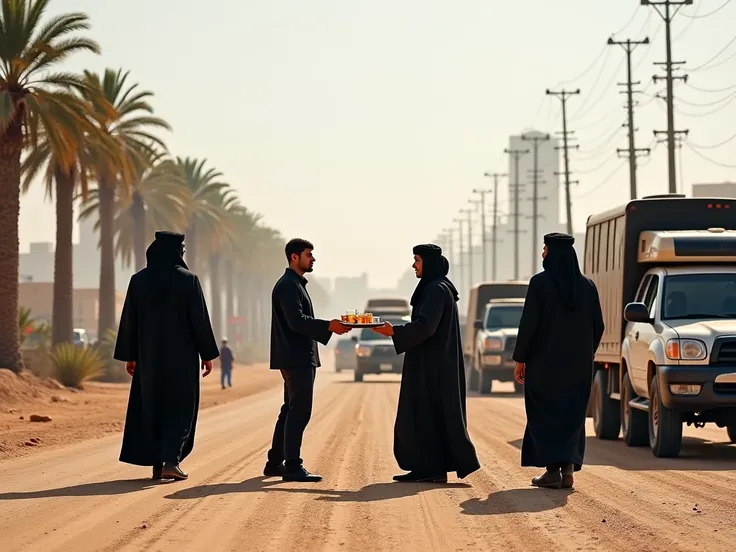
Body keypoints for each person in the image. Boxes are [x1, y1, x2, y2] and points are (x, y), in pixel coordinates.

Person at [114, 231, 219, 481]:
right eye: (181, 248)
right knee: (181, 407)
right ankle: (171, 460)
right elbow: (199, 320)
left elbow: (130, 320)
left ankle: (157, 464)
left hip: (149, 358)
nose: (183, 252)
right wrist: (207, 353)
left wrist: (131, 355)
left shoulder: (138, 281)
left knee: (153, 406)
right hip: (182, 358)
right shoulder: (189, 280)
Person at [372, 244, 480, 483]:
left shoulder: (436, 290)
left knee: (425, 416)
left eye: (417, 260)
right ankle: (429, 468)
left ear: (427, 263)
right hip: (430, 363)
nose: (414, 265)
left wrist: (394, 331)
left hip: (433, 367)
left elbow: (426, 326)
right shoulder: (436, 288)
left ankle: (432, 468)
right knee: (425, 417)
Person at [512, 232, 604, 489]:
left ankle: (552, 472)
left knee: (545, 414)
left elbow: (528, 325)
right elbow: (599, 326)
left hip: (544, 366)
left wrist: (521, 359)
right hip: (578, 367)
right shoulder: (588, 286)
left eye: (545, 249)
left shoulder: (540, 284)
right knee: (571, 414)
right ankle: (568, 470)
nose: (542, 254)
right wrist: (586, 353)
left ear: (554, 253)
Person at [264, 238, 350, 482]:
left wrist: (328, 327)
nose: (312, 259)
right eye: (308, 254)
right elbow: (296, 321)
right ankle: (292, 466)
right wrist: (329, 326)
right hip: (296, 357)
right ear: (294, 257)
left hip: (295, 356)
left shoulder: (295, 284)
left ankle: (274, 462)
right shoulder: (289, 286)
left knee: (288, 409)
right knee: (299, 411)